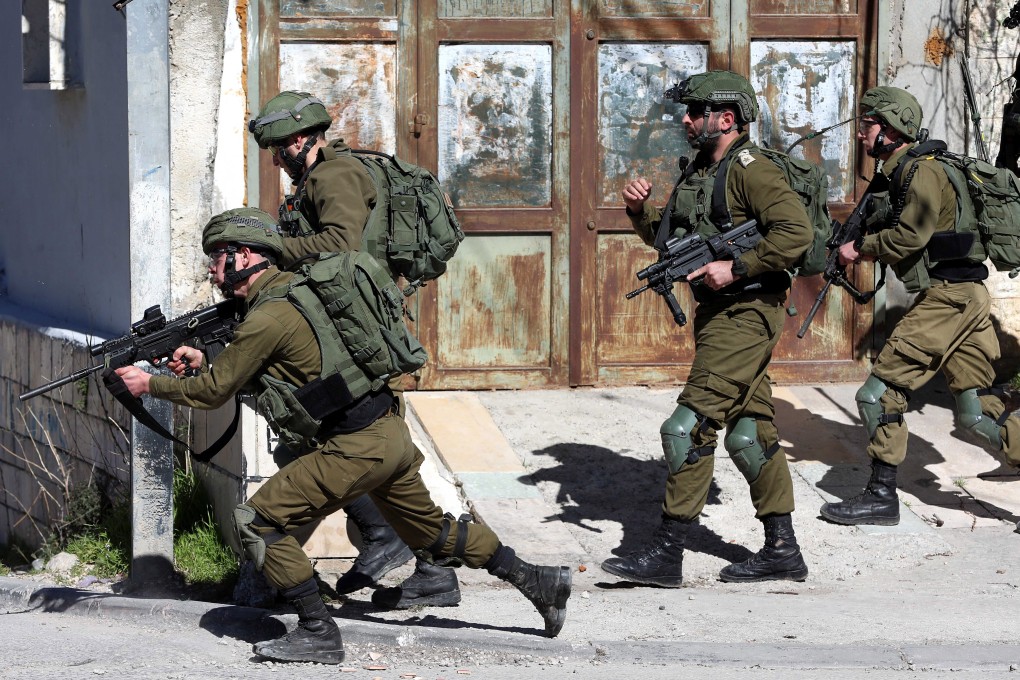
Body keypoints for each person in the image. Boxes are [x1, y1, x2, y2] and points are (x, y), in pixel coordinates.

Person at [113, 209, 571, 664]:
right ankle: (539, 580)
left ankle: (317, 630)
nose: (212, 270)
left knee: (257, 521)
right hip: (388, 435)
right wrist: (203, 364)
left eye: (217, 258)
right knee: (433, 537)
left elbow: (213, 392)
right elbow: (286, 375)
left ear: (244, 255)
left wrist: (149, 383)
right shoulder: (300, 296)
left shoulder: (264, 318)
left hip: (353, 447)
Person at [248, 90, 459, 608]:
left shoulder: (333, 176)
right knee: (340, 448)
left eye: (278, 148)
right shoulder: (313, 179)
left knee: (348, 447)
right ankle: (423, 562)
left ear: (301, 139)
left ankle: (410, 554)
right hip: (341, 332)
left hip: (357, 339)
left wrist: (272, 253)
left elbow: (340, 244)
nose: (275, 159)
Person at [601, 70, 812, 587]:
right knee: (748, 433)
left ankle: (667, 552)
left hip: (748, 311)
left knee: (686, 427)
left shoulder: (751, 169)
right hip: (719, 315)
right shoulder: (699, 170)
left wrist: (736, 268)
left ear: (727, 117)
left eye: (696, 111)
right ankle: (782, 550)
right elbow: (672, 242)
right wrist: (638, 211)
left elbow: (796, 233)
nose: (686, 119)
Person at [819, 86, 1020, 525]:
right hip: (964, 298)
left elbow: (911, 237)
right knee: (971, 413)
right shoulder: (907, 170)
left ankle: (880, 496)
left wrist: (861, 248)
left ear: (890, 130)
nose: (860, 134)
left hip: (950, 298)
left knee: (877, 394)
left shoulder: (922, 172)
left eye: (867, 125)